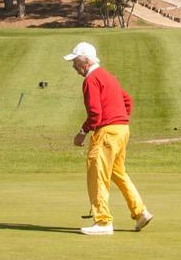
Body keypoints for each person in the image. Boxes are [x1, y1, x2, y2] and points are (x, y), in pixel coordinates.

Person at [64, 41, 152, 236]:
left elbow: (95, 113)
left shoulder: (90, 79)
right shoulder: (108, 77)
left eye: (75, 62)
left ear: (85, 62)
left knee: (97, 174)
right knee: (117, 173)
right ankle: (140, 212)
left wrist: (82, 131)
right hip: (122, 130)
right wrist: (120, 119)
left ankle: (103, 221)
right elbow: (127, 101)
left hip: (107, 132)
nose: (73, 67)